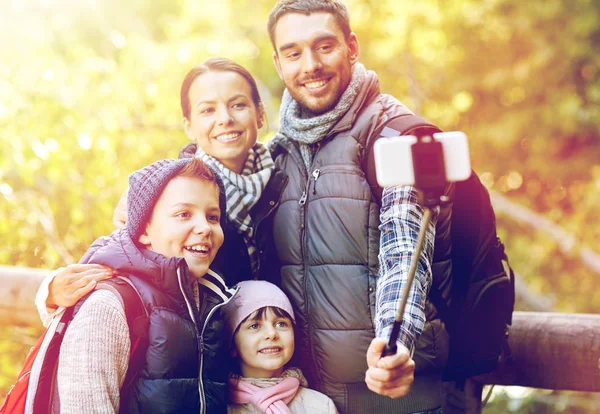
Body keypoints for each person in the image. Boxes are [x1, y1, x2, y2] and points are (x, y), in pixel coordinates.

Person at [265, 0, 451, 413]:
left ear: (352, 47)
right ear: (278, 64)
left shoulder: (395, 136)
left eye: (324, 46)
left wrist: (395, 343)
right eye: (293, 53)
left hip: (392, 395)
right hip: (309, 398)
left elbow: (406, 253)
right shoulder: (281, 149)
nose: (310, 65)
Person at [35, 57, 285, 326]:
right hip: (198, 349)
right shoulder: (163, 193)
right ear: (188, 125)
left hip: (273, 346)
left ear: (260, 114)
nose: (225, 119)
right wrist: (50, 292)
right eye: (207, 110)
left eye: (238, 105)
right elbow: (117, 259)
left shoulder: (284, 180)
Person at [49, 157, 235, 413]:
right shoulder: (109, 308)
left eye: (213, 216)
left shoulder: (211, 300)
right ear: (143, 229)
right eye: (183, 214)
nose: (204, 227)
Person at [223, 280, 337, 413]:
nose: (272, 334)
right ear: (232, 344)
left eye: (281, 324)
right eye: (254, 326)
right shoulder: (216, 407)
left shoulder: (321, 407)